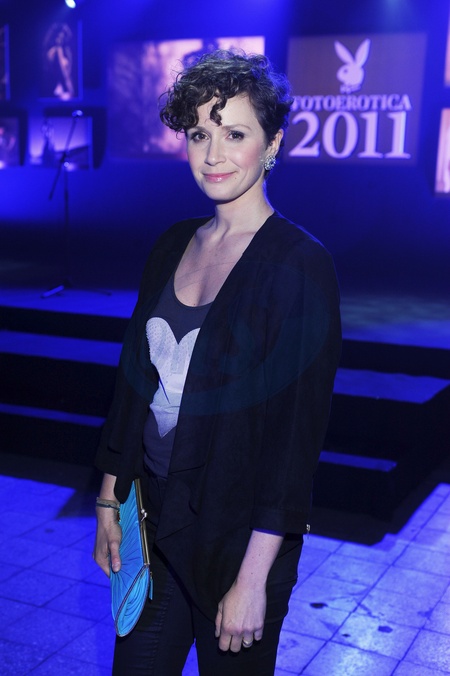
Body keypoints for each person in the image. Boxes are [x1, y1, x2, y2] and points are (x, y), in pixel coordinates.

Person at [94, 49, 341, 675]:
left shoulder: (299, 266)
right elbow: (133, 386)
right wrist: (108, 498)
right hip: (152, 522)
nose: (212, 155)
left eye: (234, 134)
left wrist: (253, 580)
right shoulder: (172, 244)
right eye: (200, 134)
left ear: (273, 143)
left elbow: (294, 446)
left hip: (238, 540)